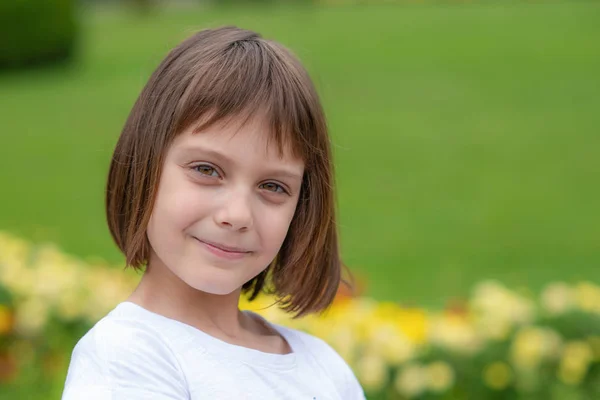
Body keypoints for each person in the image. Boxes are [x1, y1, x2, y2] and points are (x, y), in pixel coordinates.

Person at [61, 26, 366, 399]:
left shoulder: (325, 369)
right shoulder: (126, 359)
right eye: (207, 170)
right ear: (146, 165)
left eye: (272, 186)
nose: (237, 214)